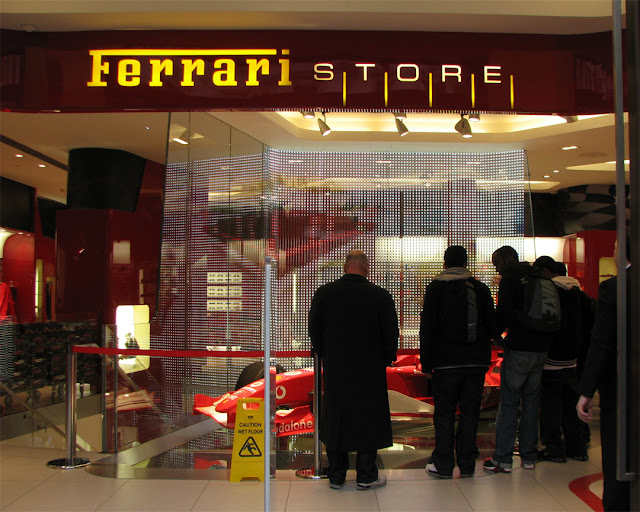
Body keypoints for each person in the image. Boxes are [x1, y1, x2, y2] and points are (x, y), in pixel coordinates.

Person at [309, 250, 399, 490]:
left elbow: (314, 331)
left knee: (336, 416)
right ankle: (366, 474)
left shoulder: (325, 294)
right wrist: (387, 358)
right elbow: (391, 334)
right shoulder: (380, 296)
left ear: (345, 267)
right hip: (370, 369)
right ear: (366, 268)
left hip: (337, 368)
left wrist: (324, 352)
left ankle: (337, 474)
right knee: (368, 418)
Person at [420, 245, 496, 478]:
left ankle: (443, 464)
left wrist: (426, 363)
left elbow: (428, 328)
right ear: (466, 263)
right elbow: (491, 325)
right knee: (470, 412)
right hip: (476, 363)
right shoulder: (480, 288)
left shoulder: (435, 288)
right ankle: (467, 464)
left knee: (444, 413)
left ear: (444, 263)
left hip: (444, 363)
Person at [483, 246, 556, 473]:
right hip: (542, 348)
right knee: (532, 403)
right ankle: (529, 457)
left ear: (505, 259)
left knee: (510, 403)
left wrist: (495, 335)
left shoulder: (510, 278)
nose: (497, 268)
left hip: (520, 347)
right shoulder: (537, 274)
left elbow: (503, 313)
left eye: (497, 263)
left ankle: (503, 458)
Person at [577, 237, 632, 511]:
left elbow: (603, 343)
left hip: (622, 393)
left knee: (619, 465)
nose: (613, 249)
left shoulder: (615, 287)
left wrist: (587, 390)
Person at [533, 256, 594, 463]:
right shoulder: (580, 294)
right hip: (574, 361)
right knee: (571, 406)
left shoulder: (550, 294)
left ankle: (554, 448)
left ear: (547, 273)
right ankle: (577, 447)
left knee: (550, 406)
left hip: (552, 360)